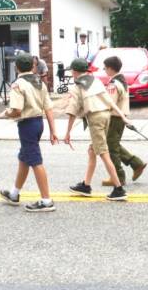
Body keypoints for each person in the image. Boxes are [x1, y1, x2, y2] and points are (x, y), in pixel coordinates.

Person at [0, 53, 59, 212]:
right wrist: (53, 130)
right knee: (24, 158)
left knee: (35, 161)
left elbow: (17, 111)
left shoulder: (18, 84)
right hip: (39, 123)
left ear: (16, 67)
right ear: (33, 66)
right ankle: (14, 193)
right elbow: (49, 108)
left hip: (27, 125)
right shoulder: (39, 82)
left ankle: (46, 201)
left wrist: (6, 113)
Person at [64, 58, 131, 201]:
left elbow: (72, 111)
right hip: (106, 116)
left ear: (74, 72)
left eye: (71, 71)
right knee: (92, 150)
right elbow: (110, 100)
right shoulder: (96, 81)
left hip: (95, 119)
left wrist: (67, 133)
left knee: (103, 153)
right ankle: (86, 186)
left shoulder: (77, 87)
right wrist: (123, 117)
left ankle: (118, 189)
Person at [101, 56, 147, 186]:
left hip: (115, 118)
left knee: (111, 149)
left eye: (105, 67)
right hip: (120, 118)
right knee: (114, 145)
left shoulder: (113, 84)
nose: (104, 70)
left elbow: (109, 103)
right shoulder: (121, 81)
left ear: (110, 68)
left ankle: (118, 177)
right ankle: (136, 163)